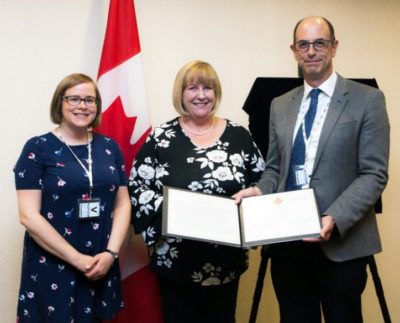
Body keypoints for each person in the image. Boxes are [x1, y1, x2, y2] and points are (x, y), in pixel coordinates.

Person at [234, 16, 390, 323]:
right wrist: (260, 189)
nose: (311, 51)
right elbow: (276, 168)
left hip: (342, 245)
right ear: (293, 50)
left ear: (334, 47)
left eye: (320, 43)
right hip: (288, 245)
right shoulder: (280, 104)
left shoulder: (367, 99)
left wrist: (334, 217)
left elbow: (374, 174)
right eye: (303, 44)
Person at [128, 60, 265, 323]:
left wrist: (253, 194)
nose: (201, 95)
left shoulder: (239, 136)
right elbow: (138, 189)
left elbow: (261, 183)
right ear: (180, 94)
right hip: (176, 261)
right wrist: (181, 210)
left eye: (208, 88)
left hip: (226, 260)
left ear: (216, 93)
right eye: (192, 88)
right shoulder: (160, 138)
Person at [14, 73, 131, 322]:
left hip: (101, 262)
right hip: (53, 264)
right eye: (74, 98)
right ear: (60, 103)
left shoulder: (110, 147)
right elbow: (28, 215)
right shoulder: (37, 148)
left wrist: (111, 254)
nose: (82, 105)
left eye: (90, 100)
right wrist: (78, 260)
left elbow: (122, 203)